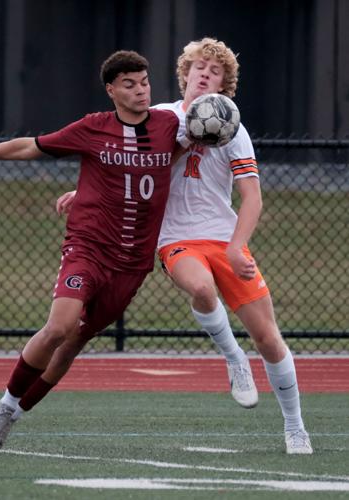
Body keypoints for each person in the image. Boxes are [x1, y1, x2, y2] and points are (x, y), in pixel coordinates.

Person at [57, 38, 313, 455]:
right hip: (175, 237)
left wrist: (237, 247)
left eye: (215, 70)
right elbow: (122, 163)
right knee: (200, 288)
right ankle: (233, 359)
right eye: (199, 67)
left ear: (224, 83)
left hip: (223, 237)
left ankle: (296, 427)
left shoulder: (233, 126)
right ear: (186, 74)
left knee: (268, 337)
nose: (205, 73)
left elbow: (253, 197)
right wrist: (81, 189)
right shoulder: (158, 118)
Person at [0, 50, 188, 453]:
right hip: (89, 247)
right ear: (111, 90)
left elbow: (171, 153)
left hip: (133, 262)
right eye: (129, 84)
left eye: (144, 82)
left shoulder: (169, 125)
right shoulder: (93, 127)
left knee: (75, 341)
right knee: (59, 327)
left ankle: (14, 416)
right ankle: (4, 405)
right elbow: (29, 147)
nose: (140, 91)